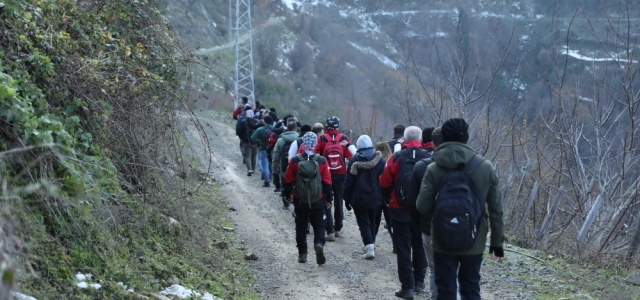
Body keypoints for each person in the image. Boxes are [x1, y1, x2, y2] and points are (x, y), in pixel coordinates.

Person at [416, 118, 504, 300]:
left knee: (446, 290)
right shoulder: (485, 167)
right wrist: (497, 244)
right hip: (475, 239)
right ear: (466, 137)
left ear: (443, 138)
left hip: (442, 238)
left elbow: (422, 206)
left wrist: (443, 215)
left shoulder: (433, 168)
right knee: (470, 288)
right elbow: (496, 209)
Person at [380, 126, 430, 299]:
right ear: (421, 139)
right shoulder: (429, 158)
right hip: (421, 209)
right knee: (419, 246)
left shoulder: (397, 157)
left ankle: (407, 288)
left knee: (403, 248)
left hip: (399, 208)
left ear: (405, 139)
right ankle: (419, 282)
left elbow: (385, 181)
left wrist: (386, 199)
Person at [283, 132, 334, 265]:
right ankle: (318, 243)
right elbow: (327, 182)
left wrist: (287, 195)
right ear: (315, 144)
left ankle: (303, 254)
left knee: (300, 226)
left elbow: (287, 180)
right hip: (318, 199)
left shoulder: (295, 160)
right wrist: (329, 198)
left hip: (300, 199)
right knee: (319, 225)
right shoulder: (322, 161)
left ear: (303, 143)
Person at [408, 127, 440, 299]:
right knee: (455, 267)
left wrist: (418, 222)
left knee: (434, 268)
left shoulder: (423, 166)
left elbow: (415, 201)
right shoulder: (469, 165)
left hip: (428, 224)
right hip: (459, 226)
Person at [343, 135, 385, 259]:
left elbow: (348, 181)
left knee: (363, 223)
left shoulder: (354, 159)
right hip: (375, 196)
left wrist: (346, 198)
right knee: (372, 221)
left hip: (359, 197)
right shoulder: (380, 160)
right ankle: (370, 243)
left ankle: (369, 246)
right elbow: (384, 180)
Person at [315, 116, 353, 241]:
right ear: (338, 126)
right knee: (338, 200)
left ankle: (329, 230)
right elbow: (350, 156)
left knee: (326, 200)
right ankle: (338, 228)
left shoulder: (321, 138)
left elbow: (315, 156)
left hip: (326, 173)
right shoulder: (343, 138)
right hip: (341, 173)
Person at [273, 119, 300, 209]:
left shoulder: (280, 140)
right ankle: (295, 199)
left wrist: (275, 167)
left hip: (284, 167)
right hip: (297, 167)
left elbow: (276, 155)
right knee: (295, 183)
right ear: (296, 128)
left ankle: (286, 203)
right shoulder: (299, 140)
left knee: (284, 183)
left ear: (287, 128)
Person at [373, 142, 394, 251]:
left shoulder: (374, 162)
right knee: (390, 220)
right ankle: (395, 243)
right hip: (389, 195)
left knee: (375, 220)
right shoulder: (391, 161)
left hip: (376, 195)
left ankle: (371, 242)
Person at [250, 115, 275, 187]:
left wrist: (259, 142)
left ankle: (266, 181)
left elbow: (252, 138)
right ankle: (271, 177)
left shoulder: (260, 129)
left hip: (263, 149)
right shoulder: (274, 129)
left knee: (264, 165)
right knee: (271, 163)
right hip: (272, 149)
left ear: (264, 121)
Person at [236, 110, 261, 176]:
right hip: (255, 141)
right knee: (253, 156)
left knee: (247, 156)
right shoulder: (256, 121)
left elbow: (239, 131)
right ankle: (253, 169)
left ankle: (249, 169)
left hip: (246, 141)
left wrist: (242, 137)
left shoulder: (243, 122)